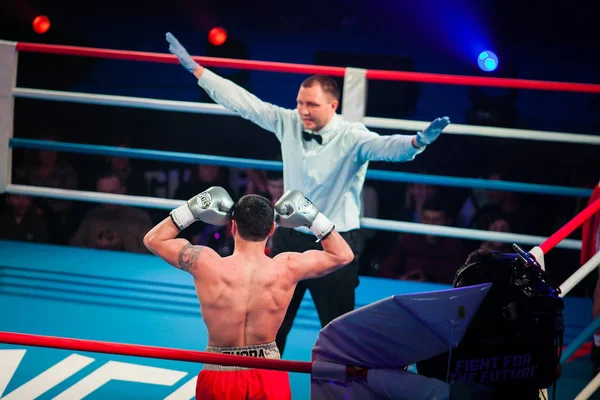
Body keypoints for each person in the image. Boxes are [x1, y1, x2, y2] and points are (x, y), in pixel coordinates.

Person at [166, 32, 451, 354]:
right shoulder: (287, 122)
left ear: (333, 105)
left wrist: (416, 142)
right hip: (289, 236)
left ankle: (346, 387)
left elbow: (386, 148)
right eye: (300, 102)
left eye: (311, 104)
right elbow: (245, 103)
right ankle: (265, 377)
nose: (302, 110)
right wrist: (197, 70)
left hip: (336, 241)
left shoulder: (352, 136)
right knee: (273, 321)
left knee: (340, 326)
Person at [143, 186, 354, 399]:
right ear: (272, 229)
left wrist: (191, 210)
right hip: (268, 372)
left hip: (219, 372)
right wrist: (313, 218)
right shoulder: (287, 267)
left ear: (232, 227)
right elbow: (343, 255)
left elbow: (154, 240)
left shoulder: (207, 264)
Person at [416, 247, 564, 399]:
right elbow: (548, 376)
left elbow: (427, 375)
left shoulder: (442, 330)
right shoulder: (530, 323)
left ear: (461, 285)